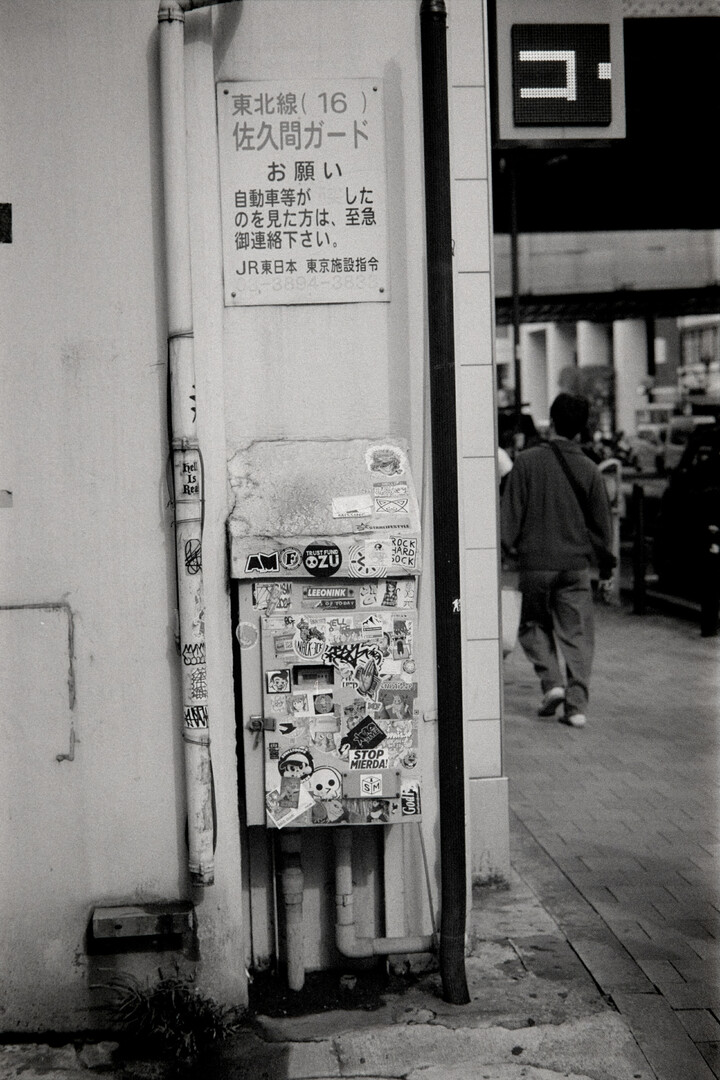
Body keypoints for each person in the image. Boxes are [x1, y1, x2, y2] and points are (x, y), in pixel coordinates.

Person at [500, 393, 615, 728]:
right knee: (577, 634)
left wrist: (507, 550)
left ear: (552, 419)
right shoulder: (590, 469)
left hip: (535, 563)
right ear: (581, 430)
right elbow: (602, 526)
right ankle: (576, 706)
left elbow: (511, 515)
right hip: (575, 566)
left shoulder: (526, 461)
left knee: (532, 625)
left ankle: (552, 684)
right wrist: (607, 567)